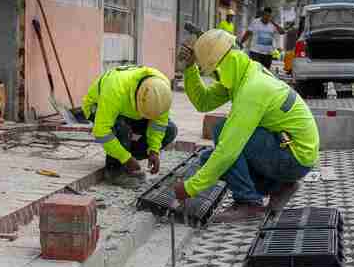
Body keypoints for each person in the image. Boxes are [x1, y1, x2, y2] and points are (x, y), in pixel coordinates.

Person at [175, 29, 320, 223]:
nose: (217, 79)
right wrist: (190, 69)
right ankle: (280, 187)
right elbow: (204, 102)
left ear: (224, 65)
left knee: (224, 139)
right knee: (209, 158)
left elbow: (228, 151)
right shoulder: (244, 72)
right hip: (291, 151)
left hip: (294, 156)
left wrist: (189, 188)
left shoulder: (252, 88)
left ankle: (249, 204)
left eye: (215, 73)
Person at [81, 66, 177, 179]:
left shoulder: (162, 90)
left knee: (170, 129)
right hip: (99, 107)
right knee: (121, 127)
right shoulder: (115, 89)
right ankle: (114, 171)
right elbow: (101, 131)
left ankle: (126, 158)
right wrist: (125, 157)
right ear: (137, 99)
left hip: (129, 109)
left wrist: (154, 150)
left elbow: (159, 124)